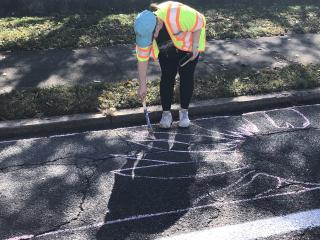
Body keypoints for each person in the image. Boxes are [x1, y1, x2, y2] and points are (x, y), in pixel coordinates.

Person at [134, 1, 206, 128]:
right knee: (167, 75)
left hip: (189, 43)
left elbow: (198, 21)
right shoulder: (144, 31)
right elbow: (142, 59)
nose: (150, 40)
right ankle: (166, 114)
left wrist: (195, 45)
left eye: (151, 36)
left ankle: (184, 112)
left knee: (187, 75)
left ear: (158, 25)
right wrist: (142, 86)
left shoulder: (177, 14)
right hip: (167, 48)